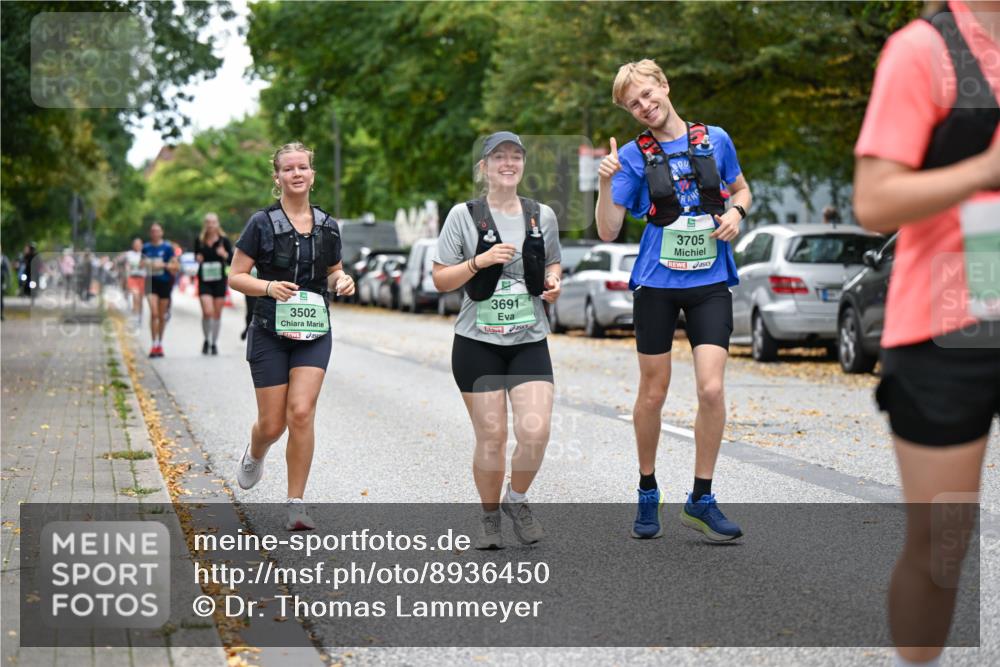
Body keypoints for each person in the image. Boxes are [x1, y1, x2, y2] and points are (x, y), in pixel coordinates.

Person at [853, 2, 999, 665]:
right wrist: (983, 171)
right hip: (949, 324)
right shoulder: (925, 51)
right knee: (943, 544)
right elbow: (874, 200)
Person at [595, 59, 753, 541]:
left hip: (710, 280)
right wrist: (606, 181)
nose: (644, 106)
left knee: (711, 389)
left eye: (647, 94)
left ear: (664, 86)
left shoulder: (715, 139)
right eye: (633, 104)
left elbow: (742, 189)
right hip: (657, 284)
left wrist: (737, 213)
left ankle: (701, 498)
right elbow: (608, 229)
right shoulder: (632, 157)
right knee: (653, 393)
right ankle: (647, 490)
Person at [432, 131, 563, 549]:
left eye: (515, 156)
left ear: (523, 164)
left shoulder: (541, 215)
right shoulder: (464, 215)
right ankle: (489, 518)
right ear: (484, 167)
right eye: (499, 157)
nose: (508, 163)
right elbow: (440, 279)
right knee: (492, 437)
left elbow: (553, 262)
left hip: (528, 338)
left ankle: (516, 499)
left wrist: (554, 282)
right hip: (477, 342)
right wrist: (479, 261)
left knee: (536, 431)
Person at [228, 142, 355, 531]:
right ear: (278, 177)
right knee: (272, 425)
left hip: (314, 331)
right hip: (270, 330)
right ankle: (255, 452)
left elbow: (334, 269)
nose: (296, 174)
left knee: (300, 412)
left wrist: (343, 280)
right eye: (288, 169)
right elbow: (236, 276)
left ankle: (296, 504)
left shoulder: (328, 225)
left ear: (312, 175)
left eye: (303, 167)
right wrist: (268, 287)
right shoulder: (261, 223)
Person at [195, 213, 234, 355]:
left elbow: (232, 260)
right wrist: (198, 258)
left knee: (217, 313)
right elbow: (196, 256)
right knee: (207, 312)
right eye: (208, 222)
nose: (211, 225)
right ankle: (206, 339)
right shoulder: (200, 240)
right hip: (204, 280)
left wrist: (224, 254)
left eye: (213, 222)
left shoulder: (224, 240)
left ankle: (213, 343)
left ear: (217, 223)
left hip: (219, 280)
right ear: (205, 224)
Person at [143, 223, 179, 358]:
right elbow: (140, 264)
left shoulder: (168, 248)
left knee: (162, 315)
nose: (155, 233)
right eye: (153, 231)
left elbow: (175, 266)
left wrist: (163, 264)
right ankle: (153, 344)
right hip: (150, 283)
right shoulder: (146, 248)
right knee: (154, 313)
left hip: (164, 283)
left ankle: (160, 343)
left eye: (157, 231)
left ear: (161, 232)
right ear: (150, 233)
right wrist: (148, 264)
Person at [123, 237, 145, 325]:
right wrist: (126, 274)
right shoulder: (129, 254)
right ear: (133, 245)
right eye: (136, 244)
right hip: (132, 277)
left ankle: (140, 316)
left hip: (142, 278)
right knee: (135, 296)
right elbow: (126, 265)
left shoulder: (144, 254)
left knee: (140, 299)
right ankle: (135, 315)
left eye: (139, 244)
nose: (137, 246)